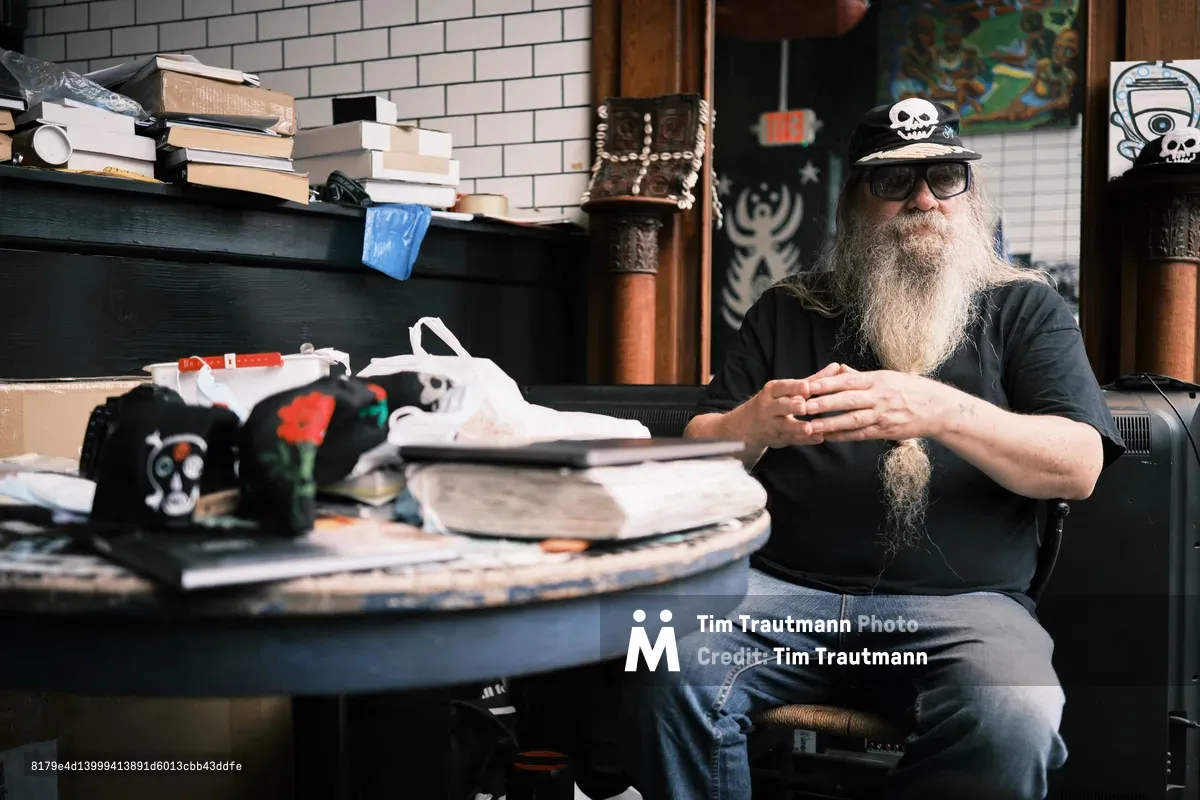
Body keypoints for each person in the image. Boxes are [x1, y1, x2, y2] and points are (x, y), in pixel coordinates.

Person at [620, 101, 1125, 799]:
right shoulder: (788, 307)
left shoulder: (1024, 309)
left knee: (1014, 714)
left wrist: (940, 408)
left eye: (945, 176)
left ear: (970, 194)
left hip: (962, 609)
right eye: (893, 182)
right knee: (658, 668)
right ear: (854, 203)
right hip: (776, 595)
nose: (923, 199)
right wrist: (754, 423)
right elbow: (699, 454)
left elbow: (1078, 463)